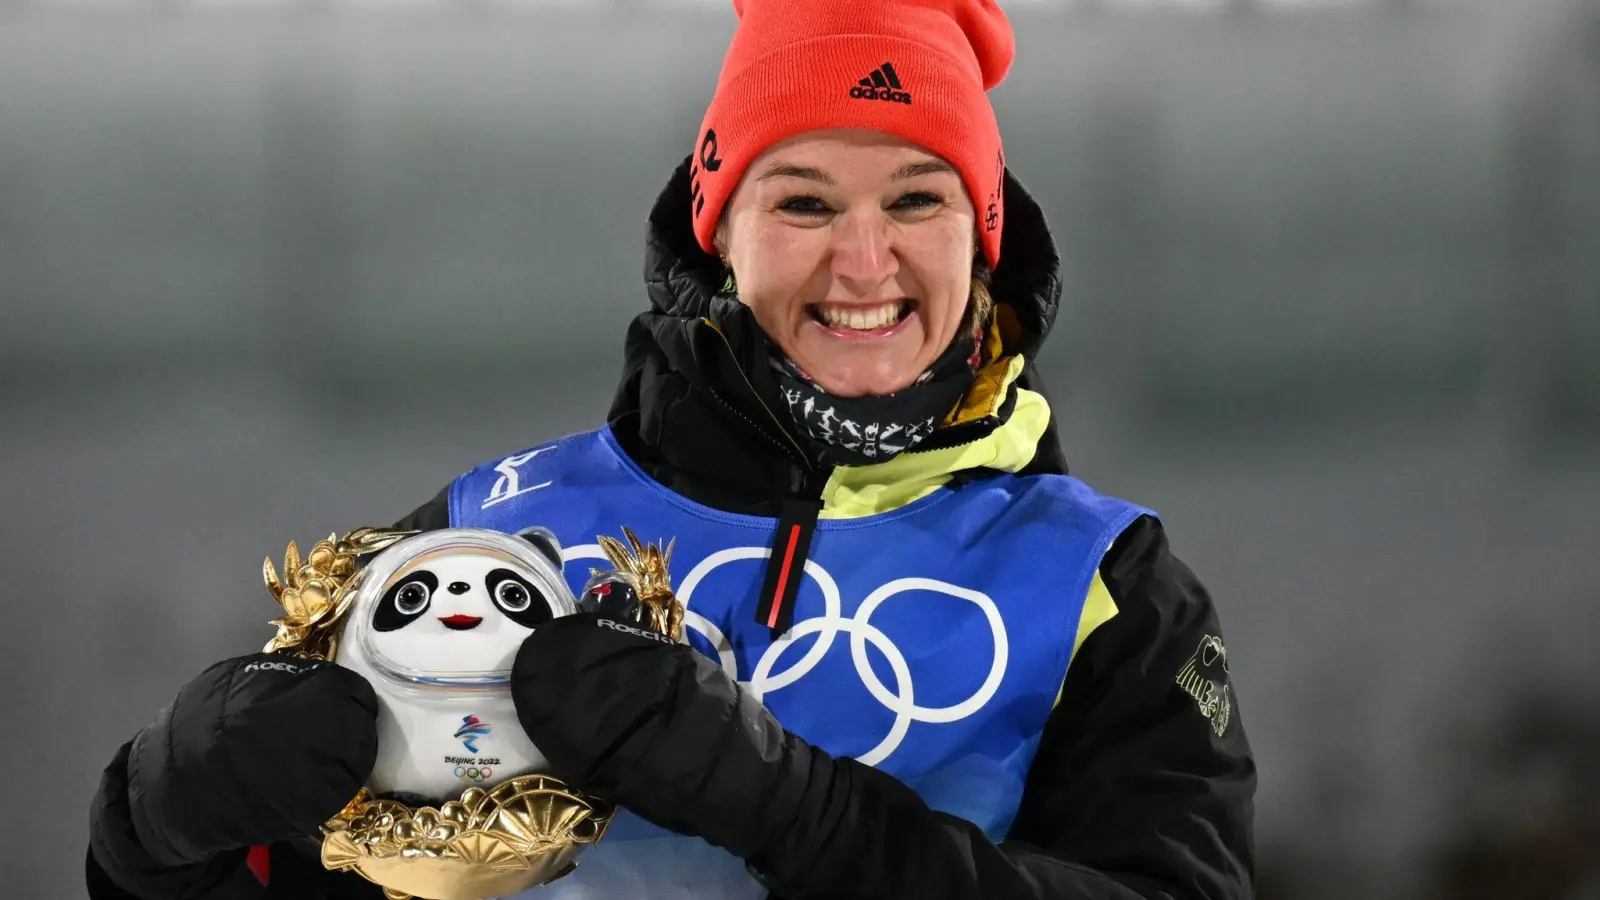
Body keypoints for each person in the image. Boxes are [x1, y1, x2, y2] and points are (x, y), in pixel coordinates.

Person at [86, 1, 1256, 898]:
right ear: (719, 236)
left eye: (916, 201)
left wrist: (798, 812)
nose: (862, 264)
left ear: (984, 237)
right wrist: (157, 825)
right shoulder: (488, 534)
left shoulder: (1102, 588)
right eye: (802, 204)